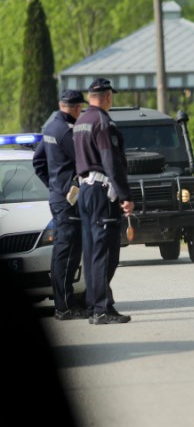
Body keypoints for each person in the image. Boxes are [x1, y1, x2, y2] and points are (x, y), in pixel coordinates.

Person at [74, 78, 135, 325]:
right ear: (108, 96)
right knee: (106, 253)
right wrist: (125, 196)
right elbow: (111, 161)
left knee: (92, 252)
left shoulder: (80, 122)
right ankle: (101, 309)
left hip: (85, 191)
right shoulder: (102, 122)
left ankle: (96, 305)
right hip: (102, 192)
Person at [32, 89, 90, 320]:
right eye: (80, 109)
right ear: (76, 108)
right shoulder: (67, 132)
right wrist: (66, 188)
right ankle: (65, 307)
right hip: (68, 200)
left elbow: (38, 163)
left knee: (62, 251)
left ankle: (64, 304)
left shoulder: (49, 128)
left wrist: (55, 186)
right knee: (68, 253)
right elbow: (83, 162)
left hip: (59, 197)